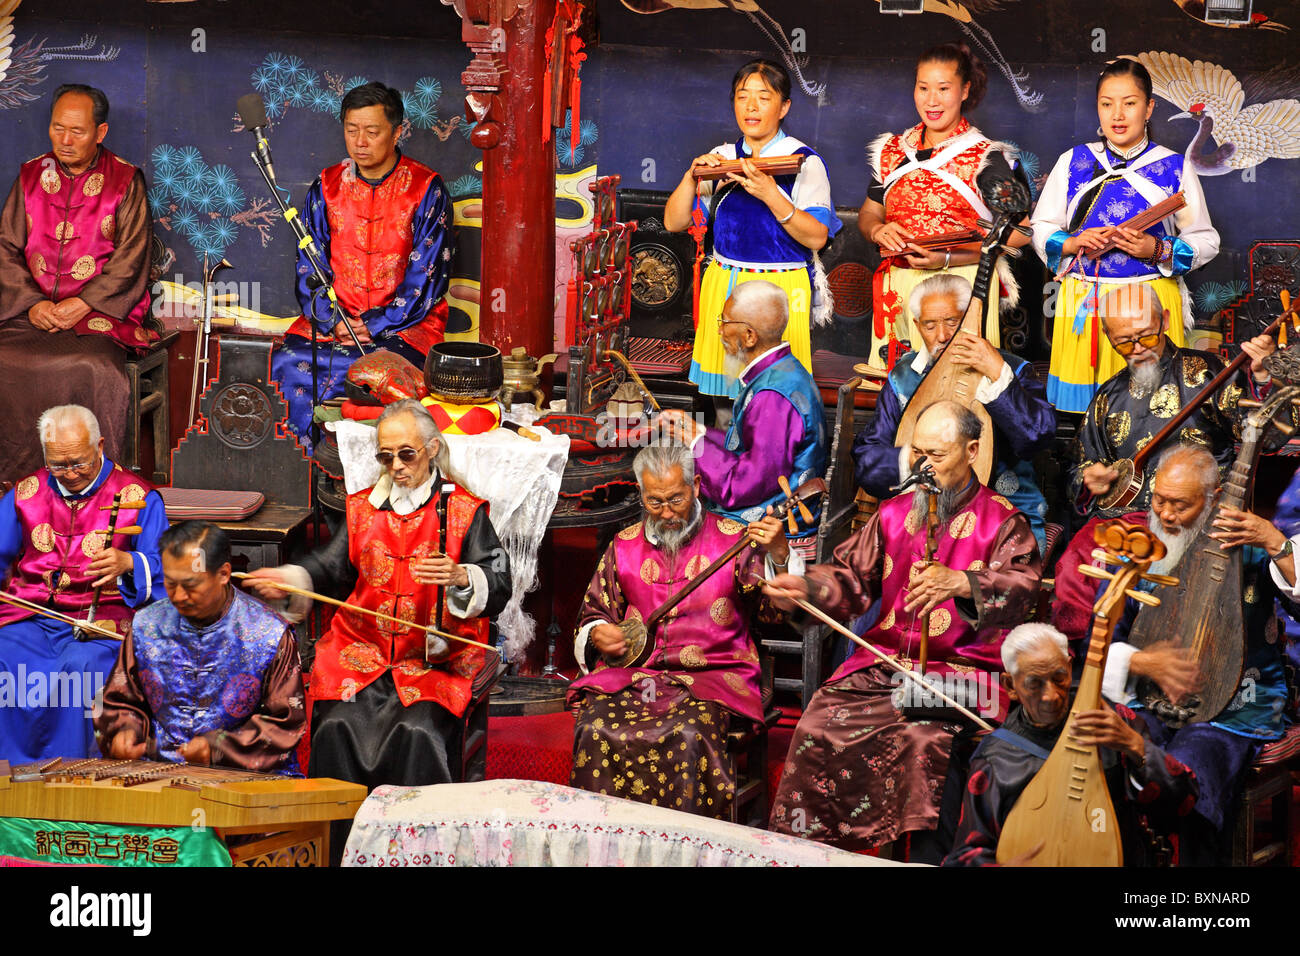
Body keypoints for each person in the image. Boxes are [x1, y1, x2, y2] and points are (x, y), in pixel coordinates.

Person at [764, 400, 1042, 858]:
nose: (924, 466)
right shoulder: (893, 513)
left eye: (937, 455)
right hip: (885, 664)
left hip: (964, 675)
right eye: (918, 453)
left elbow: (1025, 590)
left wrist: (964, 582)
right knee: (818, 719)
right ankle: (819, 855)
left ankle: (919, 858)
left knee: (920, 738)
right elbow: (851, 578)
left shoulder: (1002, 520)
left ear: (972, 451)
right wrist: (807, 586)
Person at [245, 400, 511, 795]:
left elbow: (500, 580)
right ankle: (341, 847)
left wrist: (461, 576)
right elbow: (330, 568)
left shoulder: (463, 511)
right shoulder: (361, 510)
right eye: (386, 457)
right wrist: (291, 578)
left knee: (417, 731)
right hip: (362, 655)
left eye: (407, 454)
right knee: (337, 726)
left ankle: (413, 850)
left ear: (433, 449)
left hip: (434, 659)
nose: (397, 466)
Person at [1060, 444, 1293, 864]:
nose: (1166, 515)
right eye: (1160, 500)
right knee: (1099, 752)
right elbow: (1097, 639)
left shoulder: (1254, 546)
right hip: (1146, 699)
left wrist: (1277, 543)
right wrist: (1140, 661)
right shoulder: (1138, 548)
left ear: (1215, 498)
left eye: (1180, 505)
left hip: (1235, 711)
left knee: (1186, 770)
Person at [567, 443, 799, 817]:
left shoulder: (734, 540)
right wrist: (597, 633)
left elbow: (776, 612)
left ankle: (687, 848)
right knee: (594, 727)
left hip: (713, 676)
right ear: (640, 493)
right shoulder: (624, 545)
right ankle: (608, 844)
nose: (667, 513)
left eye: (676, 499)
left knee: (688, 735)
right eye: (654, 502)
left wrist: (779, 555)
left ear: (696, 485)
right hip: (635, 674)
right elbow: (595, 610)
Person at [270, 82, 455, 451]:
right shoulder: (327, 186)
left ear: (398, 131)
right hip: (332, 323)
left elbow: (427, 279)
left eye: (372, 132)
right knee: (289, 361)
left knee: (380, 372)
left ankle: (377, 471)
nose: (360, 142)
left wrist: (374, 324)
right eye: (351, 130)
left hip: (404, 328)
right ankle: (303, 472)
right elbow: (309, 265)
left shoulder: (426, 189)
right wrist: (331, 318)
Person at [1031, 59, 1220, 413]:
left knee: (1154, 412)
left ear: (1148, 108)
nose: (1117, 114)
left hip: (1148, 302)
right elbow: (1041, 227)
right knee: (1086, 415)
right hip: (1085, 302)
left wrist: (1158, 249)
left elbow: (1206, 239)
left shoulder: (1174, 167)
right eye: (1107, 103)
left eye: (1129, 103)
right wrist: (1073, 243)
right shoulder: (1075, 161)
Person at [0, 85, 155, 484]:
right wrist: (33, 303)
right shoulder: (32, 176)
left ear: (100, 132)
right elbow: (6, 247)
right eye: (57, 128)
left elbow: (132, 259)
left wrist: (84, 303)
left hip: (95, 318)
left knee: (93, 368)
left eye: (78, 131)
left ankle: (91, 487)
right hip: (30, 316)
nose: (65, 141)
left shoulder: (124, 181)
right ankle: (12, 487)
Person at [942, 623, 1197, 866]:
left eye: (1059, 677)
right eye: (1034, 683)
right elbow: (963, 857)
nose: (1051, 695)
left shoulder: (1110, 719)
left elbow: (1184, 801)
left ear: (1069, 666)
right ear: (1011, 686)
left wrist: (1135, 746)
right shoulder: (995, 759)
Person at [663, 58, 841, 401]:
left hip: (780, 291)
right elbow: (674, 222)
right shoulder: (722, 157)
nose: (752, 106)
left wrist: (771, 194)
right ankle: (728, 454)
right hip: (725, 284)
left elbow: (818, 236)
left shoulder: (803, 161)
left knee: (775, 393)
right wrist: (691, 176)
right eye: (743, 96)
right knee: (724, 401)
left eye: (764, 96)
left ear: (784, 106)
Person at [0, 405, 166, 762]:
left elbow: (164, 566)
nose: (69, 473)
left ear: (100, 446)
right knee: (4, 655)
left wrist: (129, 563)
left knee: (80, 668)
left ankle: (73, 774)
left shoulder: (139, 498)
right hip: (29, 616)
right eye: (57, 465)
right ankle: (10, 772)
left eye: (79, 462)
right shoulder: (26, 493)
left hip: (101, 622)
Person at [852, 273, 1055, 551]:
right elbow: (868, 459)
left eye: (952, 322)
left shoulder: (1013, 369)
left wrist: (997, 374)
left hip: (1003, 515)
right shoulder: (903, 377)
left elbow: (1037, 437)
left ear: (970, 321)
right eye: (930, 325)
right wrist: (918, 459)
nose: (943, 336)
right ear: (916, 325)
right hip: (922, 513)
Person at [859, 43, 1028, 367]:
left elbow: (1020, 232)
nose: (931, 100)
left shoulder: (984, 156)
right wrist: (877, 229)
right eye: (923, 88)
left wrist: (949, 256)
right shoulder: (893, 151)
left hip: (960, 287)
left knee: (958, 393)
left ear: (964, 90)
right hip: (898, 291)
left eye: (943, 88)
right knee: (898, 393)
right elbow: (869, 213)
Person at [96, 521, 305, 774]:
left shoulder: (269, 633)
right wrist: (125, 731)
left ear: (224, 574)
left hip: (242, 778)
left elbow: (285, 722)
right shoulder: (146, 625)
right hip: (155, 772)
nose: (180, 596)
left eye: (191, 584)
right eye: (171, 584)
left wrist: (217, 749)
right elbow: (119, 699)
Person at [1071, 283, 1274, 517]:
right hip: (1126, 520)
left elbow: (1265, 437)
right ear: (1108, 336)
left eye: (1147, 337)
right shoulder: (1109, 396)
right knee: (1081, 552)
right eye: (1124, 343)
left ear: (1164, 320)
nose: (1138, 349)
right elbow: (1078, 466)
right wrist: (1088, 479)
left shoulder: (1210, 373)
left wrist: (1263, 379)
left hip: (1199, 515)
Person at [658, 280, 827, 543]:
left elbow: (745, 486)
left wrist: (696, 442)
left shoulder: (772, 396)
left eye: (724, 322)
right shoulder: (784, 371)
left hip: (774, 518)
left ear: (749, 335)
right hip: (769, 497)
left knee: (665, 516)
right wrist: (698, 431)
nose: (719, 331)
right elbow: (747, 449)